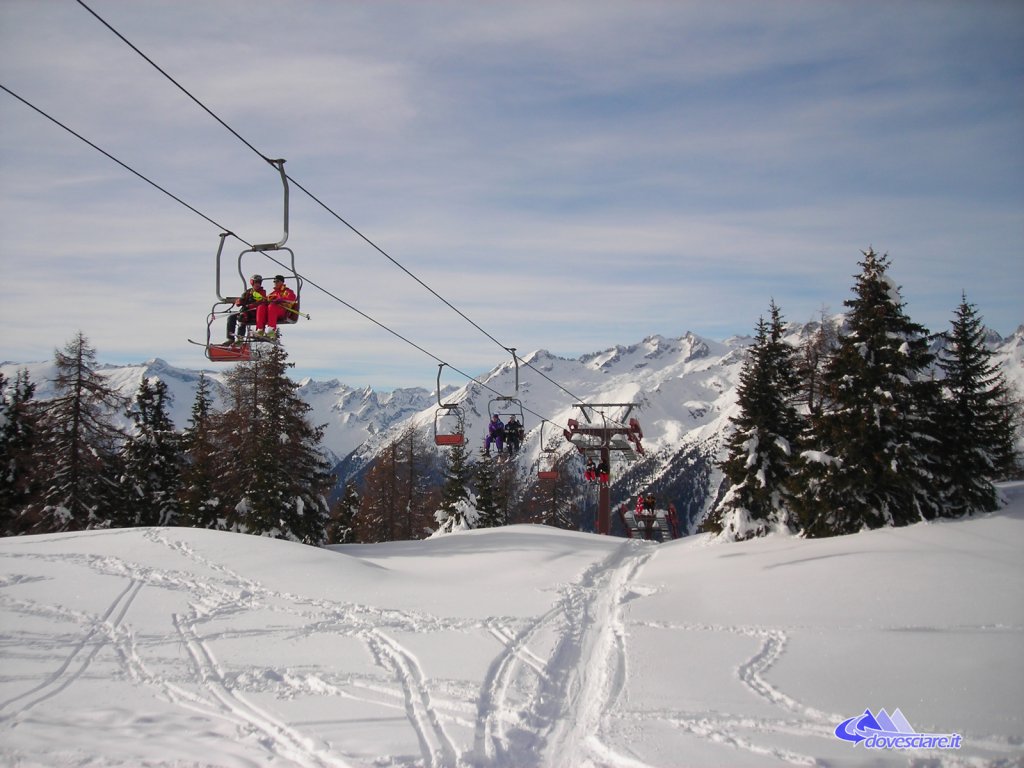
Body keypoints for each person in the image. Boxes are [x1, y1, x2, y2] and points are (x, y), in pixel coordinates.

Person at [226, 274, 266, 343]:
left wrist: (249, 306)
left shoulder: (261, 292)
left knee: (242, 318)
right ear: (252, 283)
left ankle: (240, 338)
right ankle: (230, 338)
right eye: (256, 282)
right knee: (231, 317)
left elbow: (260, 302)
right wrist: (239, 302)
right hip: (245, 311)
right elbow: (242, 299)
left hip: (255, 312)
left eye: (259, 283)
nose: (258, 285)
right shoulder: (248, 292)